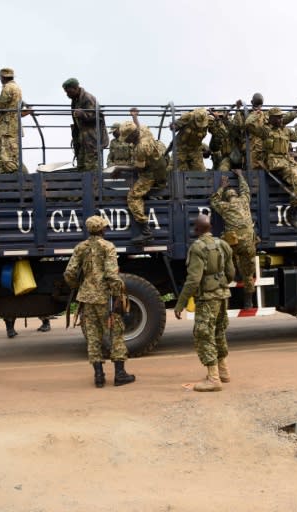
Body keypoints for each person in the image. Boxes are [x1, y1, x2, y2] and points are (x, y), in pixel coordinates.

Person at [63, 215, 135, 388]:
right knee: (115, 333)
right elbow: (111, 274)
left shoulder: (81, 248)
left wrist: (80, 286)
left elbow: (69, 273)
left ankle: (99, 376)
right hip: (105, 297)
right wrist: (117, 295)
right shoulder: (107, 246)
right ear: (102, 229)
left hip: (86, 298)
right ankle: (119, 375)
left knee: (93, 336)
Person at [174, 214, 235, 391]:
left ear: (197, 229)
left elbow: (193, 280)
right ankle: (223, 372)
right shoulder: (223, 244)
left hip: (207, 298)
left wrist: (181, 303)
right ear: (210, 228)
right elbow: (231, 272)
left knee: (204, 335)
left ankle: (214, 379)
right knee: (218, 332)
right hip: (223, 296)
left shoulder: (197, 248)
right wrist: (221, 284)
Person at [256, 107, 297, 230]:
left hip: (288, 160)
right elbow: (249, 125)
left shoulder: (286, 130)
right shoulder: (265, 131)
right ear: (270, 119)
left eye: (281, 117)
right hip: (277, 163)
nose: (280, 119)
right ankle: (292, 213)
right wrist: (257, 113)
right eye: (277, 117)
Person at [119, 108, 168, 245]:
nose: (127, 141)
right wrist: (135, 117)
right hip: (158, 161)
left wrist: (119, 168)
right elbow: (138, 128)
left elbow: (138, 168)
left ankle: (146, 232)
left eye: (127, 138)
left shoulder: (141, 148)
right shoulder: (143, 130)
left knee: (133, 196)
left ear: (132, 136)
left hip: (152, 172)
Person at [210, 170, 257, 309]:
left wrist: (222, 187)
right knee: (248, 273)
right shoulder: (244, 202)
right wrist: (241, 176)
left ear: (227, 197)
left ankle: (226, 296)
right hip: (248, 244)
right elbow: (246, 190)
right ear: (236, 195)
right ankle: (248, 301)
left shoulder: (225, 206)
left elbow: (213, 201)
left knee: (226, 266)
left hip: (234, 245)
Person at [242, 94, 297, 170]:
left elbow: (283, 119)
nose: (258, 107)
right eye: (256, 104)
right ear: (251, 102)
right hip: (252, 149)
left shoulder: (266, 115)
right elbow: (243, 125)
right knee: (254, 173)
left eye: (260, 104)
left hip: (265, 149)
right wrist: (255, 113)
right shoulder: (245, 114)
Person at [62, 78, 109, 172]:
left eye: (69, 92)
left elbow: (97, 117)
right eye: (66, 92)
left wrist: (83, 114)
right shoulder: (75, 100)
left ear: (76, 88)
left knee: (92, 167)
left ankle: (94, 186)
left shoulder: (87, 98)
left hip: (92, 140)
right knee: (81, 166)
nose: (68, 95)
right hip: (82, 140)